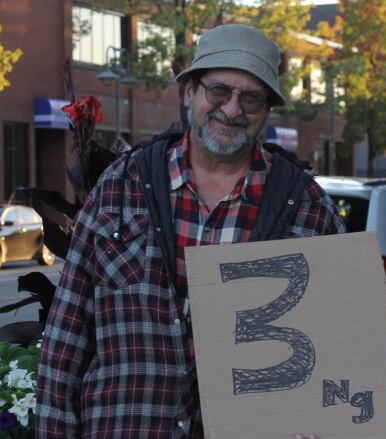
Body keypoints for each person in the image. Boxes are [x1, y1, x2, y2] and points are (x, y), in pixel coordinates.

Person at [36, 23, 345, 439]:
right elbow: (65, 338)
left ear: (267, 110)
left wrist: (324, 420)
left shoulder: (306, 207)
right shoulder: (120, 188)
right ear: (189, 93)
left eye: (251, 97)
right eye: (218, 91)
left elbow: (341, 345)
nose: (232, 110)